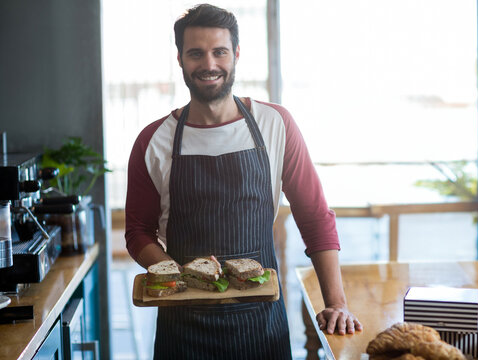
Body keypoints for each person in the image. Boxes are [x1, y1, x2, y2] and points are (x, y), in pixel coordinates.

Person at [125, 3, 362, 359]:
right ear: (180, 59)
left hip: (261, 326)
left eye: (219, 52)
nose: (209, 64)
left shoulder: (275, 124)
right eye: (196, 53)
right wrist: (173, 274)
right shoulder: (153, 140)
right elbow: (138, 231)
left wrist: (337, 303)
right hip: (182, 326)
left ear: (236, 54)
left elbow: (313, 217)